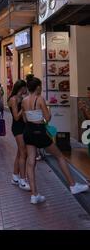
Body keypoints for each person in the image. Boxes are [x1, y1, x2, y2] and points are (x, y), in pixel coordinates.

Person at [22, 75, 89, 204]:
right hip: (39, 131)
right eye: (40, 86)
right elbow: (47, 118)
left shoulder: (24, 101)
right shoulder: (40, 99)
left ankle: (34, 194)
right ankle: (73, 185)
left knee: (30, 161)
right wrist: (48, 112)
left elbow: (25, 119)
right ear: (37, 87)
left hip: (28, 131)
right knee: (59, 156)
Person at [7, 80, 30, 191]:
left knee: (19, 153)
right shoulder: (13, 99)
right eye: (25, 88)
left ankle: (15, 177)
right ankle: (22, 180)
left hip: (23, 127)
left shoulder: (21, 99)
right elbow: (16, 117)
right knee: (23, 153)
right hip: (17, 127)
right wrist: (24, 107)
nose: (27, 90)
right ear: (22, 88)